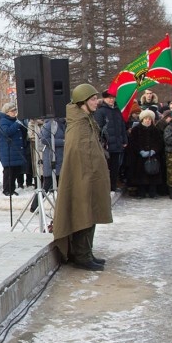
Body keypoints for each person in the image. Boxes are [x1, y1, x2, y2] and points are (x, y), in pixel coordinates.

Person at [51, 84, 112, 271]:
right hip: (82, 178)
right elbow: (78, 154)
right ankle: (81, 255)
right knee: (82, 213)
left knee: (90, 212)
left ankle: (87, 252)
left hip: (90, 177)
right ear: (82, 102)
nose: (96, 102)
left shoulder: (86, 120)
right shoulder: (78, 125)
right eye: (92, 99)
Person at [125, 109, 165, 198]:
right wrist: (140, 151)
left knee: (153, 174)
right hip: (139, 156)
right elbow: (133, 142)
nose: (147, 120)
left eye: (149, 119)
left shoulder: (156, 130)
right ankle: (141, 193)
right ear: (142, 119)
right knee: (140, 175)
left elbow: (159, 142)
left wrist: (154, 150)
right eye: (146, 118)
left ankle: (153, 193)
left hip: (153, 156)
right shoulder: (136, 130)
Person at [95, 90, 128, 191]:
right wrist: (103, 142)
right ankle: (106, 188)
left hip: (117, 143)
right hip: (107, 145)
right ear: (104, 99)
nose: (111, 100)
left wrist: (124, 139)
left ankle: (113, 186)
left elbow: (122, 126)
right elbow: (98, 128)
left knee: (115, 167)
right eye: (109, 98)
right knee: (106, 167)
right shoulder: (100, 111)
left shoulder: (117, 111)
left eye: (113, 98)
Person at [0, 102, 26, 196]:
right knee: (9, 172)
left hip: (15, 150)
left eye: (15, 110)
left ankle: (12, 188)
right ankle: (6, 189)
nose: (14, 112)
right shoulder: (4, 121)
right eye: (12, 111)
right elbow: (7, 132)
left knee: (15, 171)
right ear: (6, 112)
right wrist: (18, 123)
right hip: (8, 151)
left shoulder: (14, 120)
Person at [39, 117, 66, 192]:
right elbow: (44, 139)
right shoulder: (51, 124)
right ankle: (36, 204)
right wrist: (63, 142)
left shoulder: (64, 124)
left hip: (61, 159)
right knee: (47, 186)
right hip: (52, 159)